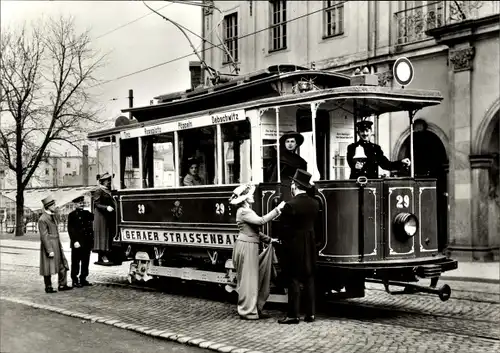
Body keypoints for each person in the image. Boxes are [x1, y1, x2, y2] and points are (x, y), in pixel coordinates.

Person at [229, 183, 283, 320]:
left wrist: (269, 240)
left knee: (252, 278)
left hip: (248, 245)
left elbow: (255, 232)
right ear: (245, 198)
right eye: (250, 195)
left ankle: (253, 308)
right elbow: (261, 221)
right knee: (248, 279)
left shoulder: (246, 211)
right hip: (246, 246)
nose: (252, 196)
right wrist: (277, 209)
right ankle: (247, 311)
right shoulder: (244, 212)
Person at [275, 169, 319, 324]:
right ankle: (310, 314)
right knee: (309, 278)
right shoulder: (315, 203)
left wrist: (282, 243)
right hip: (311, 244)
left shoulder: (290, 205)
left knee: (293, 279)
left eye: (293, 183)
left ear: (295, 185)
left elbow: (283, 229)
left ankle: (293, 315)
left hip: (295, 245)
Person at [347, 120, 411, 179]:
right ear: (358, 133)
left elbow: (386, 165)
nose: (365, 134)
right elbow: (350, 163)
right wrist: (355, 167)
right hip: (356, 182)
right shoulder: (352, 147)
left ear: (371, 132)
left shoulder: (376, 148)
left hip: (373, 183)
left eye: (367, 131)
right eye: (362, 131)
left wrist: (401, 162)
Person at [38, 195, 72, 293]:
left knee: (62, 264)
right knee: (47, 266)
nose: (55, 206)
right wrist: (49, 250)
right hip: (49, 245)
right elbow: (44, 236)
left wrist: (57, 212)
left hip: (57, 244)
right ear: (48, 206)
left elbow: (58, 220)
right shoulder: (43, 219)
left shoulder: (52, 216)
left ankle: (62, 284)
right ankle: (48, 286)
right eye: (53, 205)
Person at [270, 131, 307, 201]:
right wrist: (275, 193)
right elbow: (274, 177)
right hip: (283, 189)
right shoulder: (280, 159)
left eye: (292, 141)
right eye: (287, 141)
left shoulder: (301, 161)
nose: (290, 144)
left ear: (296, 144)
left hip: (297, 189)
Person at [68, 195, 94, 287]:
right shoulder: (72, 215)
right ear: (75, 204)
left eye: (82, 202)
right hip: (77, 243)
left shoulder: (87, 213)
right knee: (75, 262)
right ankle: (74, 280)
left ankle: (83, 278)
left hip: (86, 242)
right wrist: (74, 241)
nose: (81, 204)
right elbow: (71, 230)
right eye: (79, 203)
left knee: (85, 261)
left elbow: (94, 219)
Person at [93, 172, 116, 264]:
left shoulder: (108, 190)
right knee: (103, 234)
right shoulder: (99, 190)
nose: (109, 182)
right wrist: (106, 207)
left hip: (108, 215)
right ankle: (102, 254)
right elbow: (97, 204)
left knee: (108, 234)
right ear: (102, 182)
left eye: (109, 180)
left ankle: (108, 253)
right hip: (101, 216)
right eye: (107, 180)